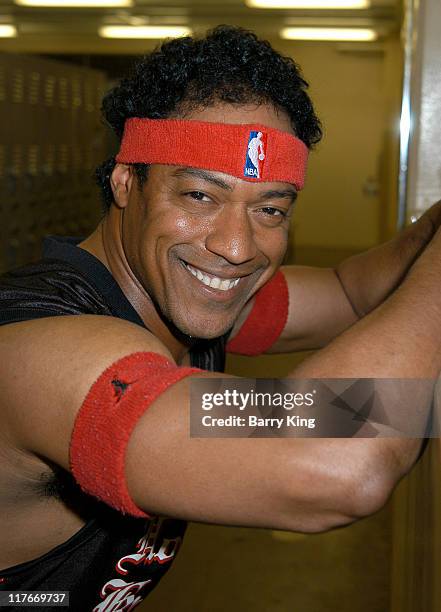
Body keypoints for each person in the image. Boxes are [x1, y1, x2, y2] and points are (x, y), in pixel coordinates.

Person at [0, 24, 440, 611]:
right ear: (127, 181)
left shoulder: (191, 304)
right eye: (199, 197)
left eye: (270, 208)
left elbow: (351, 292)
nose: (237, 247)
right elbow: (338, 464)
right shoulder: (40, 349)